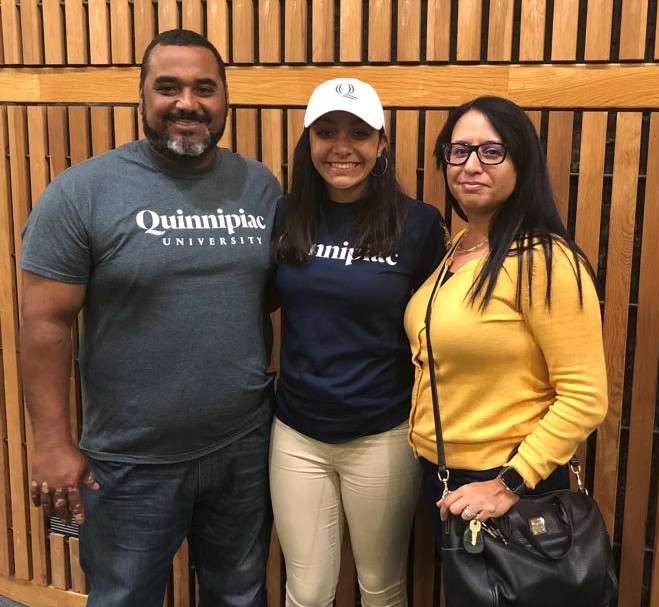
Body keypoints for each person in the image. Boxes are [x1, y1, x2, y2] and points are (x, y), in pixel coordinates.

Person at [20, 29, 282, 607]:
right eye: (168, 87)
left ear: (225, 99)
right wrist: (51, 442)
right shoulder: (81, 193)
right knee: (124, 597)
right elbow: (46, 325)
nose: (186, 103)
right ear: (141, 96)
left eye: (203, 88)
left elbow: (258, 293)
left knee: (239, 594)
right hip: (129, 460)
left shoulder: (259, 186)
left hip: (242, 446)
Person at [404, 96, 608, 590]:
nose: (471, 165)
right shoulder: (460, 245)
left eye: (492, 151)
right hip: (446, 478)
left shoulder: (545, 260)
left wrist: (507, 484)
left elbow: (585, 396)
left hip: (507, 479)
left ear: (523, 161)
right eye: (459, 151)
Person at [269, 78, 446, 607]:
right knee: (306, 591)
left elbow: (435, 329)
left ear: (382, 143)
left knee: (381, 586)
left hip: (381, 433)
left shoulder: (417, 224)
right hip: (297, 432)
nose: (342, 147)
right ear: (308, 142)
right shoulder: (287, 214)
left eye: (359, 133)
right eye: (326, 132)